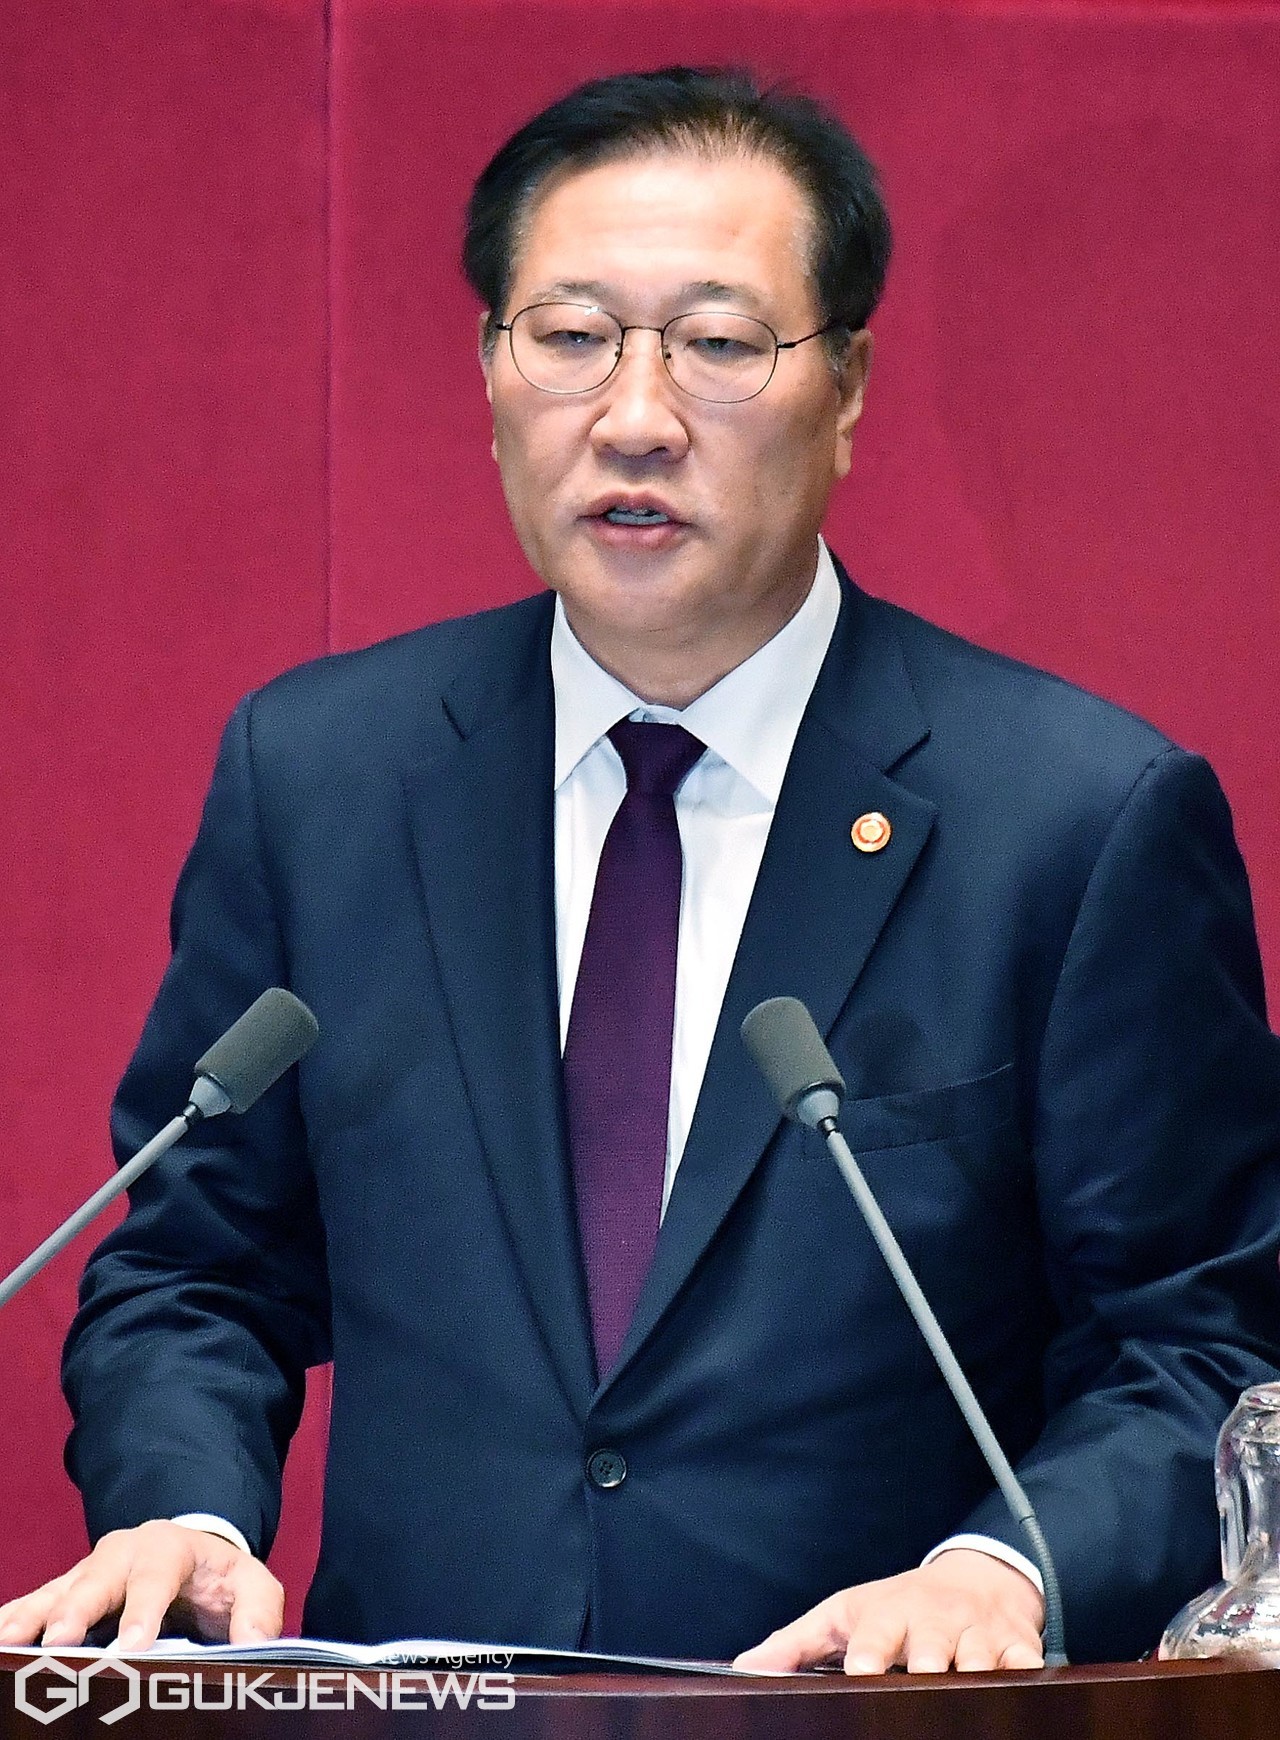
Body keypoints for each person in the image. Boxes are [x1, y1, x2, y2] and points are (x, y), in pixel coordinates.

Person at [2, 66, 1279, 1674]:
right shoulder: (322, 777)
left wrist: (1002, 1572)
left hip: (873, 1719)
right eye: (571, 335)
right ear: (489, 374)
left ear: (848, 389)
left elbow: (1199, 1337)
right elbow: (196, 1263)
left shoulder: (1078, 819)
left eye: (720, 344)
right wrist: (183, 1510)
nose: (635, 416)